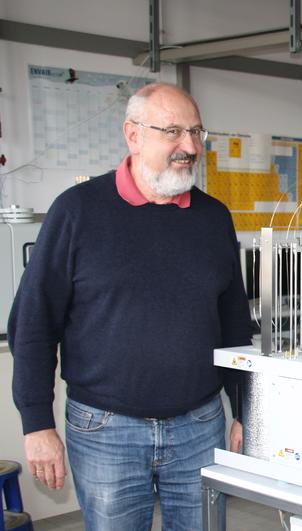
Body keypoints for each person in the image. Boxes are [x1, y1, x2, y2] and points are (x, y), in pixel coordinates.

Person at [9, 82, 252, 530]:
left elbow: (235, 323)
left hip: (200, 424)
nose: (190, 147)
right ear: (133, 135)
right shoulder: (76, 212)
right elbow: (33, 323)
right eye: (174, 132)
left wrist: (246, 409)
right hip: (105, 431)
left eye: (197, 132)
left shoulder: (213, 218)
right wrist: (36, 423)